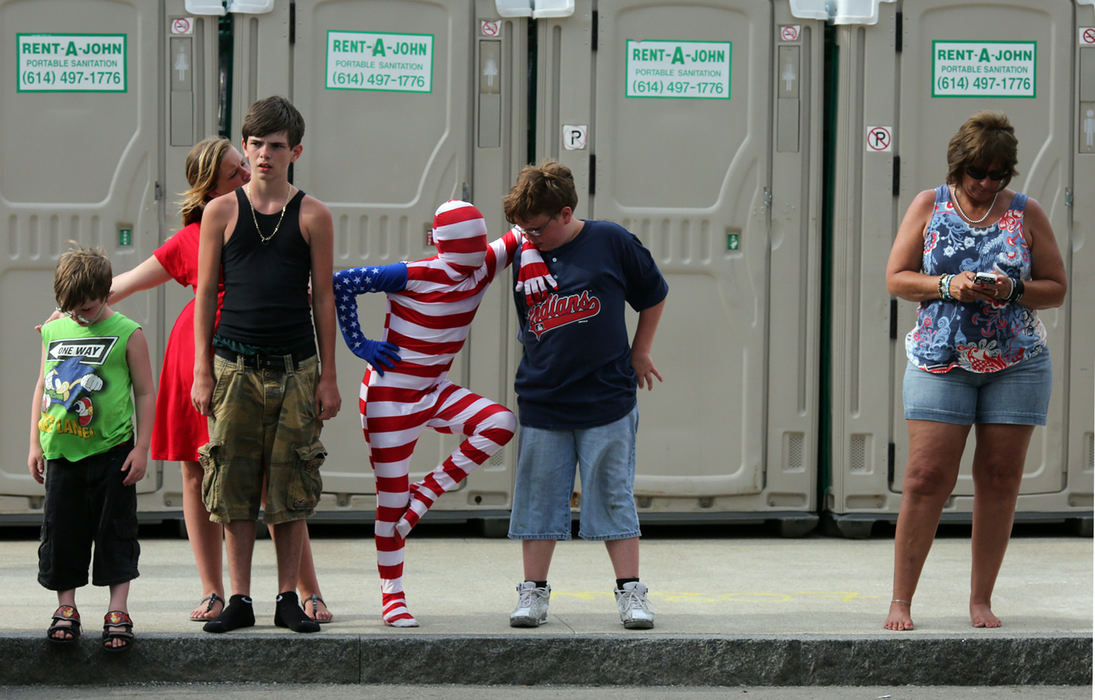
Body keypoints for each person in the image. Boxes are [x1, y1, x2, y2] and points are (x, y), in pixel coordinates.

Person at [105, 137, 333, 624]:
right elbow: (120, 284)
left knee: (279, 476)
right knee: (198, 473)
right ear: (211, 187)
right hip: (203, 358)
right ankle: (215, 591)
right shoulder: (199, 232)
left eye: (244, 166)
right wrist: (67, 310)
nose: (248, 173)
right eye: (235, 171)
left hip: (266, 353)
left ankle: (305, 590)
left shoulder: (283, 218)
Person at [883, 111, 1067, 631]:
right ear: (958, 166)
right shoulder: (928, 205)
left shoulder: (1026, 213)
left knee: (1000, 478)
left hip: (1017, 362)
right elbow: (896, 278)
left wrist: (1013, 290)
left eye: (998, 175)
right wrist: (947, 286)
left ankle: (981, 599)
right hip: (940, 359)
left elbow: (1056, 287)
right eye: (977, 174)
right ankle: (901, 601)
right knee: (925, 478)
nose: (987, 184)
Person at [332, 199, 554, 627]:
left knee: (500, 423)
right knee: (391, 502)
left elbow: (523, 233)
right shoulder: (420, 273)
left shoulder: (482, 263)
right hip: (389, 399)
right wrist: (359, 344)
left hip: (433, 389)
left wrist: (530, 260)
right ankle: (392, 595)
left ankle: (429, 491)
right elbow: (342, 282)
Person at [191, 96, 341, 634]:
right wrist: (202, 370)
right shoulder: (221, 211)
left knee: (292, 484)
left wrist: (329, 374)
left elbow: (322, 298)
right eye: (254, 144)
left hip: (296, 367)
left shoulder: (314, 215)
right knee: (230, 480)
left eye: (276, 146)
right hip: (233, 365)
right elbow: (206, 294)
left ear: (295, 151)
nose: (263, 155)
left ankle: (286, 598)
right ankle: (239, 599)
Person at [502, 160, 668, 630]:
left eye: (535, 228)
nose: (527, 237)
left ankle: (631, 593)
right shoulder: (520, 248)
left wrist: (641, 350)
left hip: (606, 398)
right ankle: (533, 593)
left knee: (613, 495)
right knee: (538, 497)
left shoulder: (611, 241)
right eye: (520, 229)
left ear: (565, 213)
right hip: (543, 399)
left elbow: (653, 294)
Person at [29, 244, 156, 652]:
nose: (79, 316)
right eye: (71, 309)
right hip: (61, 452)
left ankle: (117, 609)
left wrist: (143, 449)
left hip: (113, 452)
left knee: (115, 531)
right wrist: (35, 441)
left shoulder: (127, 333)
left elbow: (145, 392)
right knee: (62, 531)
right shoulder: (54, 328)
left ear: (105, 294)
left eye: (86, 308)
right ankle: (66, 607)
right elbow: (42, 383)